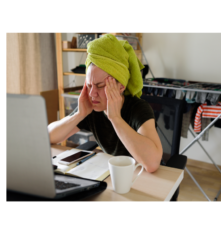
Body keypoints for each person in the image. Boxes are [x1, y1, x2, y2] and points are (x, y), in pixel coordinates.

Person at [48, 34, 162, 173]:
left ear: (121, 87)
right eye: (89, 86)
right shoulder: (92, 107)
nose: (92, 93)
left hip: (137, 177)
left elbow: (152, 163)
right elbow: (49, 136)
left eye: (100, 85)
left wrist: (115, 118)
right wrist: (79, 114)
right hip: (109, 174)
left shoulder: (138, 108)